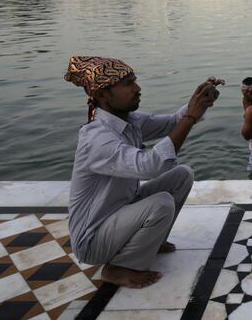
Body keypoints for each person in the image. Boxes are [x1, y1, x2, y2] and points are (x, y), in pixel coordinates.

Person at [65, 56, 223, 288]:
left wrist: (198, 102)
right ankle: (117, 268)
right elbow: (151, 166)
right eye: (127, 84)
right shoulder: (97, 137)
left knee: (182, 175)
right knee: (161, 203)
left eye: (134, 81)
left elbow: (171, 124)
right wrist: (190, 117)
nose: (137, 89)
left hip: (119, 217)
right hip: (92, 239)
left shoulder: (129, 121)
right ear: (101, 95)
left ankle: (152, 241)